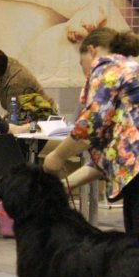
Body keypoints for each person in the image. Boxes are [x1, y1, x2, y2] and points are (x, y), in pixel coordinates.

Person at [43, 27, 139, 234]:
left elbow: (90, 127)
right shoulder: (131, 69)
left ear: (93, 51)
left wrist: (57, 155)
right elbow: (114, 155)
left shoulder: (106, 70)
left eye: (81, 63)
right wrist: (65, 185)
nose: (84, 71)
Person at [0, 48, 58, 119]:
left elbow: (14, 117)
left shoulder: (16, 82)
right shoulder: (6, 66)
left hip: (43, 117)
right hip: (32, 115)